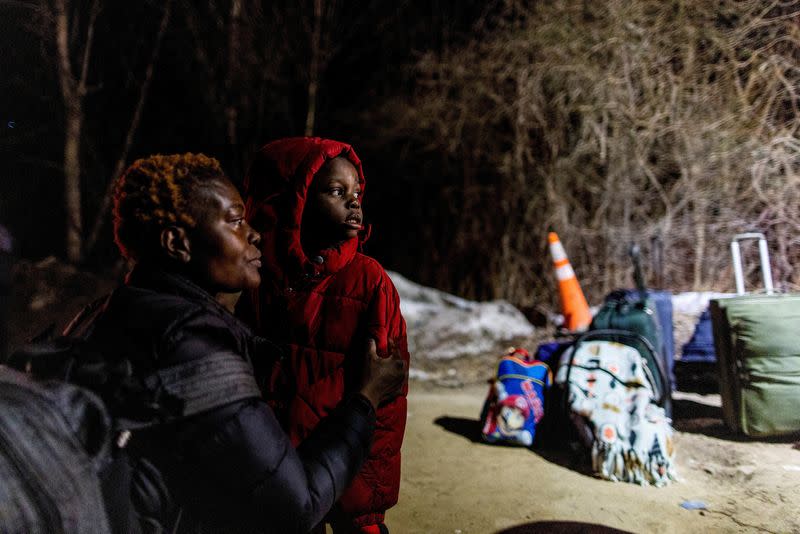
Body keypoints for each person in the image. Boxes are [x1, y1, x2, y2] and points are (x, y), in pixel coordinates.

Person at [81, 153, 407, 533]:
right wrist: (366, 398)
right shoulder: (195, 347)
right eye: (235, 220)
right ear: (176, 243)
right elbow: (296, 505)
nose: (254, 232)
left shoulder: (111, 312)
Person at [238, 138, 410, 534]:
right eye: (336, 191)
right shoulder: (262, 283)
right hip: (285, 472)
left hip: (347, 465)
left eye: (357, 192)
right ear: (293, 203)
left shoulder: (369, 282)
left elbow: (387, 398)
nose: (354, 202)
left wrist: (364, 504)